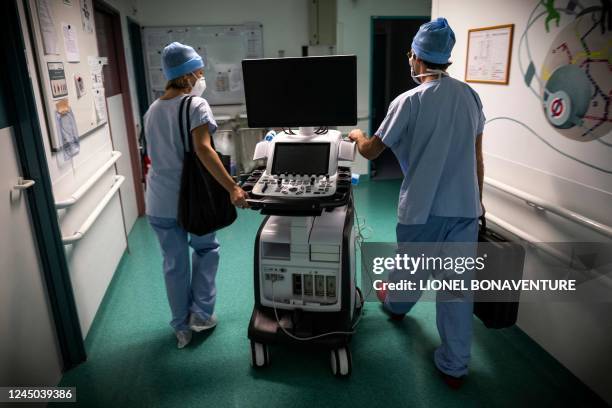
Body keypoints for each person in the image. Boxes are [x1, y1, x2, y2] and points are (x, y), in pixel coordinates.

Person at [349, 18, 485, 388]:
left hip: (423, 207)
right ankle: (455, 364)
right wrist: (479, 204)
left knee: (411, 268)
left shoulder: (408, 100)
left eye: (411, 54)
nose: (409, 60)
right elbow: (477, 157)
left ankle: (395, 305)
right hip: (465, 209)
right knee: (457, 287)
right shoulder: (470, 96)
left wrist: (357, 134)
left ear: (417, 57)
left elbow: (373, 150)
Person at [144, 42, 249, 349]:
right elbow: (203, 149)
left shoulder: (152, 110)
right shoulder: (195, 106)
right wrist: (232, 186)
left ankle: (180, 328)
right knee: (205, 250)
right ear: (187, 75)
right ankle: (200, 315)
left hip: (158, 201)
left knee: (173, 264)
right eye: (200, 72)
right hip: (192, 200)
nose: (202, 77)